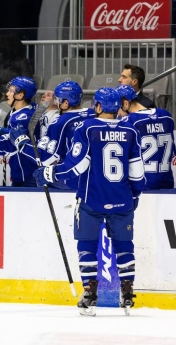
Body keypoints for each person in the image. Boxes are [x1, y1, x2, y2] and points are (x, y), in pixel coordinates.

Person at [33, 87, 145, 316]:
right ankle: (127, 292)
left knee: (86, 245)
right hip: (122, 199)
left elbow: (76, 167)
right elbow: (137, 174)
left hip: (90, 200)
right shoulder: (130, 130)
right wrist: (133, 196)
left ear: (100, 106)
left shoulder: (87, 128)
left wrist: (48, 174)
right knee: (124, 246)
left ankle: (90, 294)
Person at [116, 84, 175, 190]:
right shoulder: (166, 115)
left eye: (117, 107)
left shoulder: (128, 122)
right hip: (167, 184)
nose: (118, 113)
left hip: (141, 186)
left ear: (125, 103)